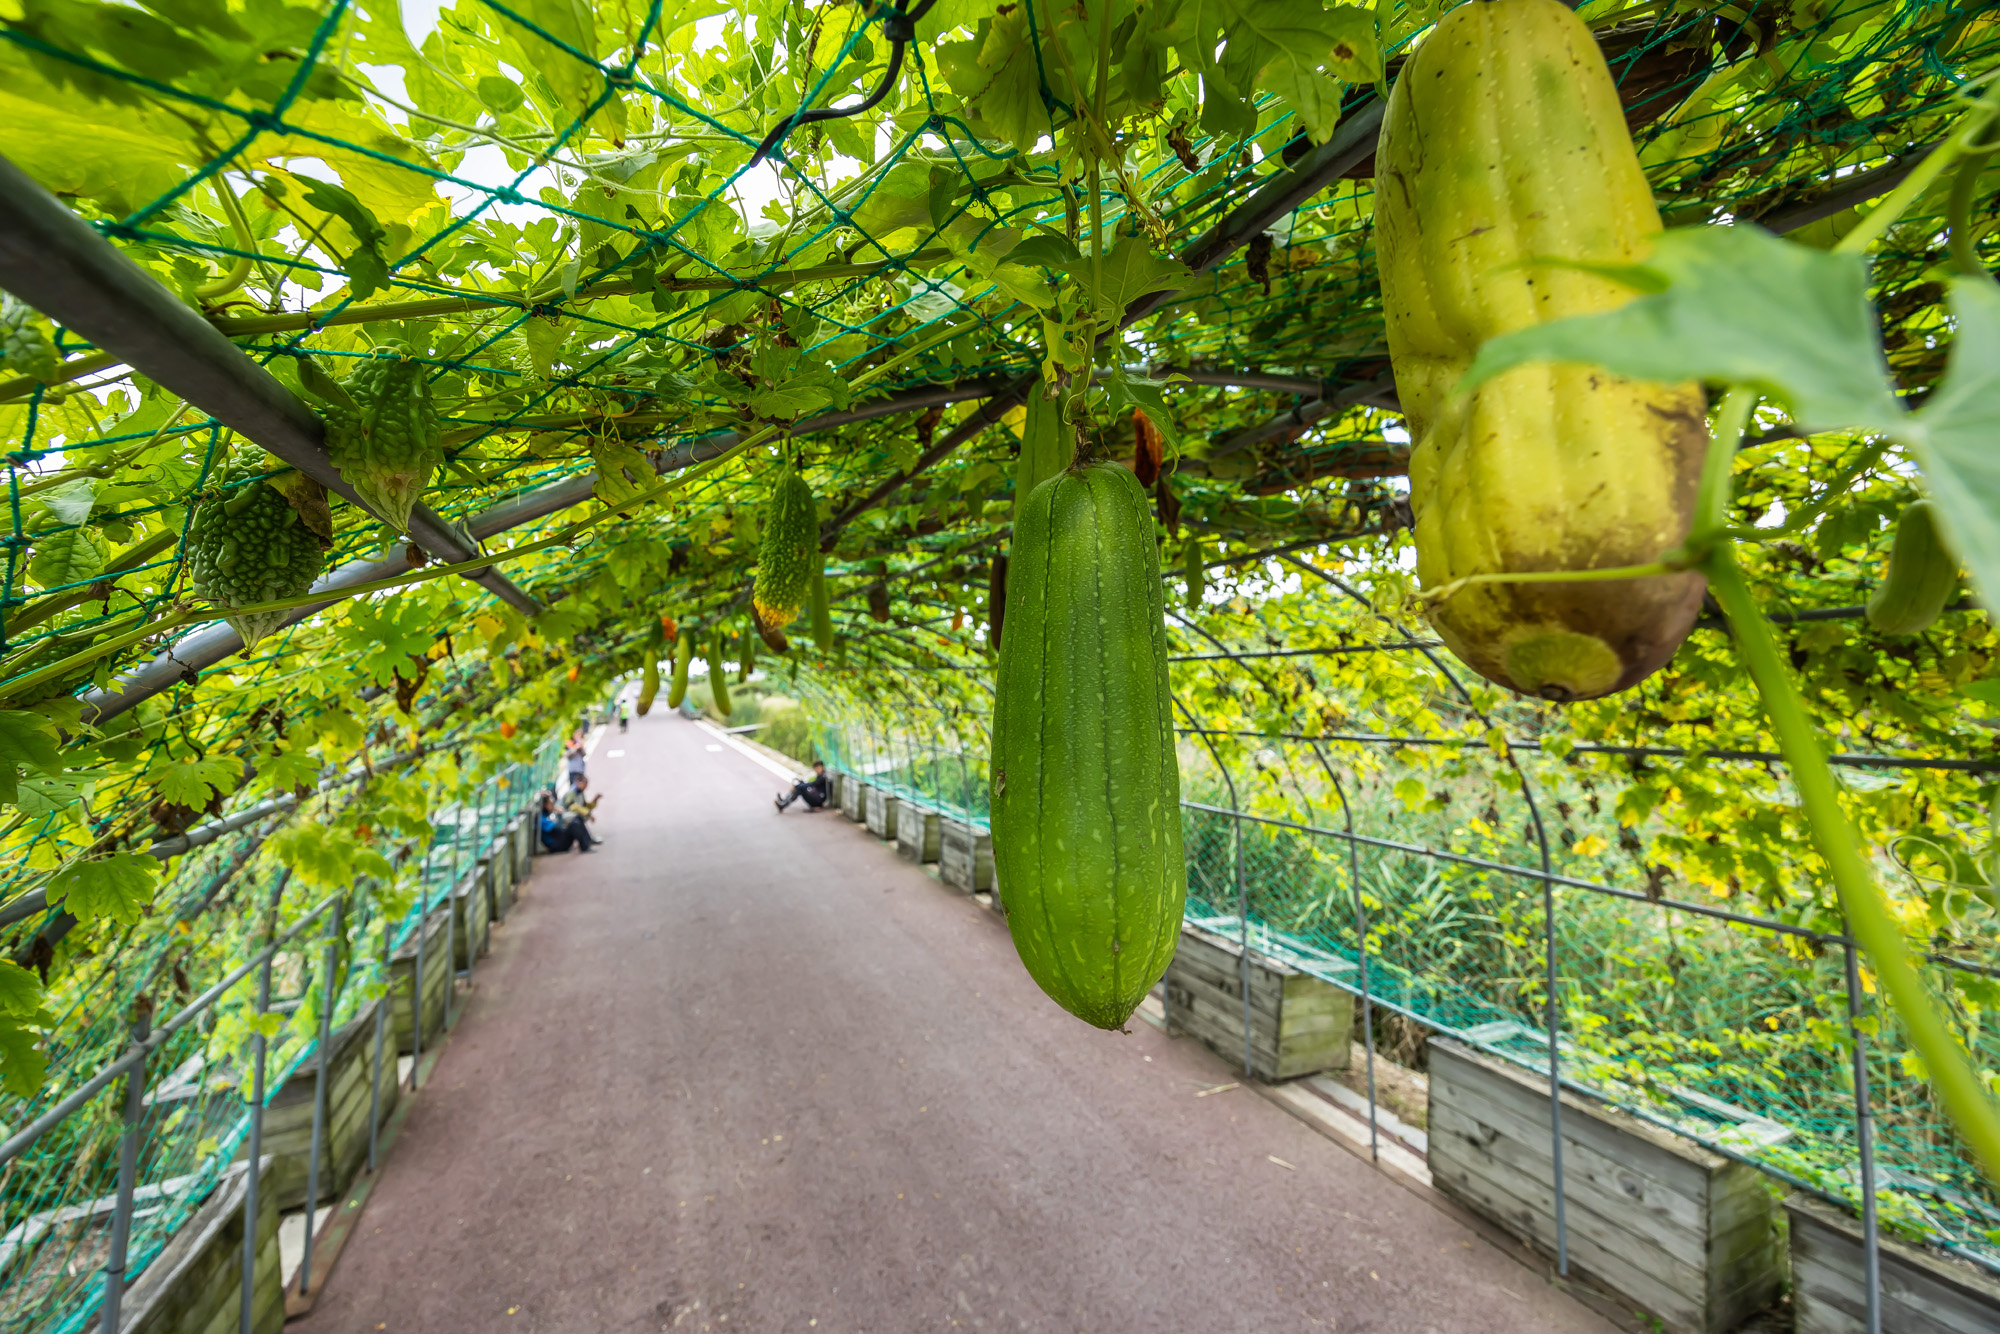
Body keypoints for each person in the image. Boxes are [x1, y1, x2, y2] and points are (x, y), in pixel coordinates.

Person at [560, 773, 602, 851]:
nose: (586, 787)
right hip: (563, 817)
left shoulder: (580, 793)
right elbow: (572, 807)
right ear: (577, 782)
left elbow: (584, 806)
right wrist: (588, 814)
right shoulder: (571, 792)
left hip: (571, 816)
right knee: (578, 819)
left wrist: (595, 800)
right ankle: (585, 846)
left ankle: (588, 840)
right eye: (584, 784)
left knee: (579, 818)